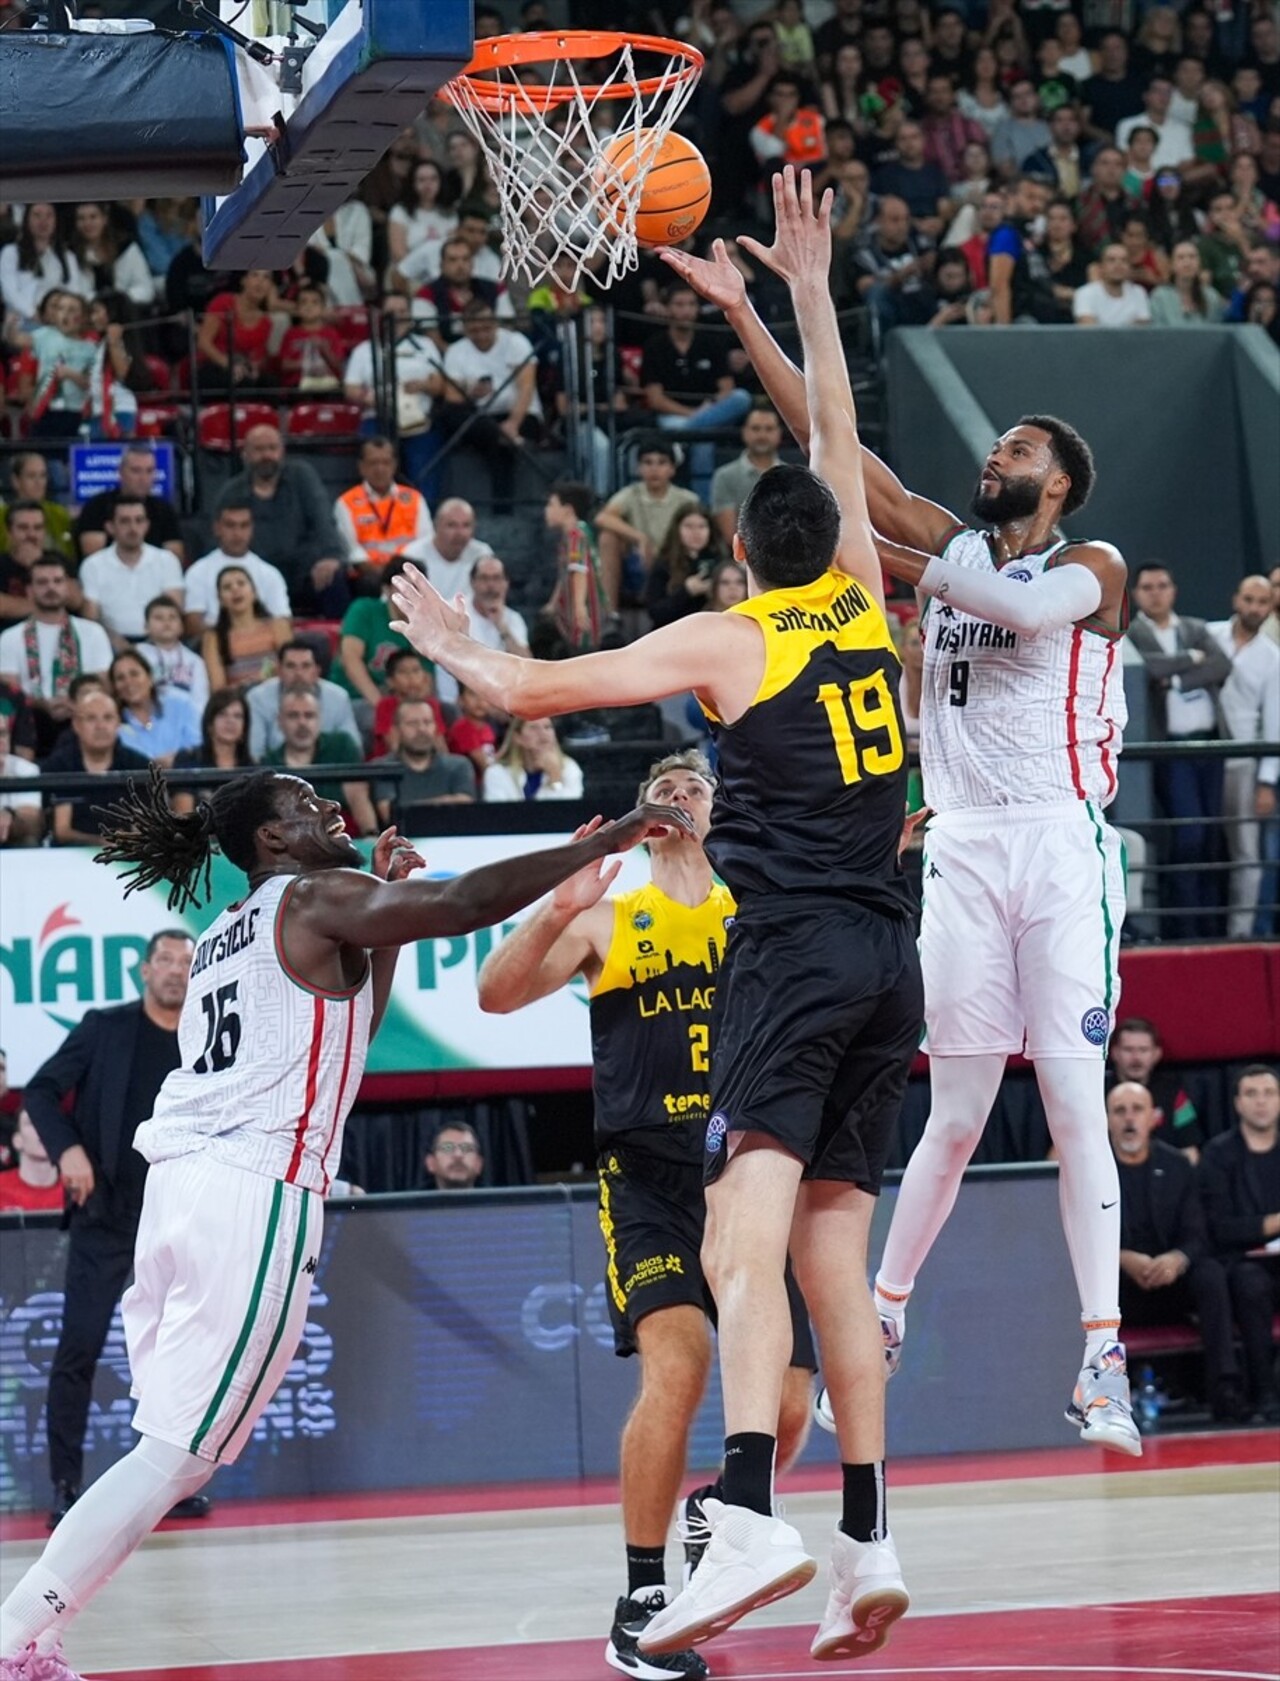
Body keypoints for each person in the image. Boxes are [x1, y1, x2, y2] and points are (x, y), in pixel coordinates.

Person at [390, 169, 923, 1661]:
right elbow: (834, 432)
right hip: (898, 959)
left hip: (800, 954)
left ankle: (747, 1509)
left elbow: (528, 695)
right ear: (835, 539)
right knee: (832, 1256)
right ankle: (872, 1534)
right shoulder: (866, 604)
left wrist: (449, 637)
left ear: (746, 547)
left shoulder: (730, 636)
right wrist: (803, 293)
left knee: (742, 1245)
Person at [0, 765, 683, 1672]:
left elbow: (346, 1038)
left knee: (166, 1453)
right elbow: (467, 901)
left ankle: (35, 1633)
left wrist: (390, 910)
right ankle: (15, 1635)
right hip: (252, 1191)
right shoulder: (316, 893)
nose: (333, 808)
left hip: (182, 1191)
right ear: (273, 841)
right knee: (174, 1459)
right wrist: (599, 840)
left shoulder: (226, 934)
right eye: (308, 805)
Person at [666, 190, 1139, 1456]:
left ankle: (1101, 1357)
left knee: (1077, 1099)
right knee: (952, 1111)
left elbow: (1015, 608)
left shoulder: (1090, 569)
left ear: (1062, 483)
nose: (997, 457)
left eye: (1020, 452)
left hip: (1056, 841)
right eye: (996, 447)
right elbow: (834, 448)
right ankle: (878, 1312)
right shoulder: (948, 542)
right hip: (961, 843)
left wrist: (893, 557)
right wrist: (751, 317)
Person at [477, 751, 816, 1675]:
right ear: (640, 816)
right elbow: (494, 993)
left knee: (790, 1403)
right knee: (680, 1362)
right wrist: (553, 902)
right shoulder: (609, 914)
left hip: (749, 1172)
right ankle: (640, 1591)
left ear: (721, 807)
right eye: (660, 788)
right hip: (649, 1178)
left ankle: (717, 1510)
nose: (676, 794)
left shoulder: (757, 908)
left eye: (693, 785)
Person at [22, 931, 200, 1527]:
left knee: (179, 1362)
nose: (177, 971)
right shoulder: (106, 1028)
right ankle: (66, 1486)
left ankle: (166, 1490)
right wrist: (68, 1151)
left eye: (188, 962)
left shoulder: (210, 1035)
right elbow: (43, 1091)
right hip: (108, 1216)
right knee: (79, 1347)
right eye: (167, 960)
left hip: (183, 1217)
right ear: (145, 970)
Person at [1107, 1081, 1246, 1422]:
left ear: (1153, 1118)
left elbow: (1199, 1235)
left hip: (1172, 1282)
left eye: (1137, 1110)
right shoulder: (1091, 1168)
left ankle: (1224, 1391)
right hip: (1116, 1288)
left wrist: (1176, 1259)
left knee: (1211, 1274)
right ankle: (1102, 1400)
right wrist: (1122, 1258)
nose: (1129, 1119)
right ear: (1106, 1119)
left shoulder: (1178, 1166)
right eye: (1120, 1111)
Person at [1128, 563, 1232, 939]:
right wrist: (1190, 660)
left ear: (1173, 589)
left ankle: (1212, 925)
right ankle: (1186, 927)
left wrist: (1173, 677)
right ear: (1137, 593)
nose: (1156, 592)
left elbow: (1221, 665)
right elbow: (1147, 670)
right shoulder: (1133, 633)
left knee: (1210, 836)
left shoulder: (1195, 628)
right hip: (1169, 748)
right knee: (1187, 835)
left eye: (1163, 585)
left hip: (1210, 745)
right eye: (1148, 587)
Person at [1198, 1065, 1280, 1423]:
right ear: (1237, 1102)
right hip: (1245, 1264)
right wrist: (1273, 1223)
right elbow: (1218, 1227)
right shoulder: (1218, 1155)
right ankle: (1264, 1394)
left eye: (1268, 1093)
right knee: (1250, 1284)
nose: (1261, 1102)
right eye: (1252, 1094)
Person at [1208, 576, 1280, 939]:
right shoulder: (1210, 635)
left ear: (1269, 608)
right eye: (1249, 599)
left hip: (1243, 760)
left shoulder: (1272, 657)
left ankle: (1240, 932)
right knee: (1201, 841)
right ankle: (1198, 925)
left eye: (1262, 602)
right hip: (1202, 756)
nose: (1254, 607)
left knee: (1247, 851)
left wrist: (1267, 781)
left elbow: (1274, 724)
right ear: (1236, 599)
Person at [216, 426, 349, 619]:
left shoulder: (301, 476)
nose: (267, 455)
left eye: (272, 448)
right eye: (259, 449)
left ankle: (341, 641)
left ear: (282, 451)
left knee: (333, 578)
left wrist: (331, 556)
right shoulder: (232, 491)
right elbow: (220, 535)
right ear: (245, 454)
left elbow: (323, 520)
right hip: (256, 574)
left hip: (303, 570)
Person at [640, 283, 752, 501]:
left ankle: (681, 440)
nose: (686, 310)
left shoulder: (711, 340)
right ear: (668, 309)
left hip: (709, 412)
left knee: (742, 398)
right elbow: (655, 398)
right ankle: (703, 506)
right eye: (679, 305)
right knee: (703, 439)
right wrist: (694, 416)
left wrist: (706, 412)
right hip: (673, 418)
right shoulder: (655, 345)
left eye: (691, 304)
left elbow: (727, 389)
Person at [0, 557, 113, 758]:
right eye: (42, 583)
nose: (50, 588)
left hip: (81, 718)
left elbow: (104, 685)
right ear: (29, 591)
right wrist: (42, 704)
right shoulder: (10, 638)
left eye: (57, 581)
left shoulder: (93, 632)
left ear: (68, 588)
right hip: (32, 722)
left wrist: (75, 702)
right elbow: (10, 692)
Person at [595, 439, 700, 616]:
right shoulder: (631, 494)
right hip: (641, 563)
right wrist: (640, 538)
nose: (654, 469)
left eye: (661, 463)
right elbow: (602, 517)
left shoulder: (687, 499)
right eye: (648, 462)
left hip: (675, 563)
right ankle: (609, 615)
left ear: (672, 469)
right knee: (608, 538)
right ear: (638, 468)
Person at [261, 685, 378, 837]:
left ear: (320, 719)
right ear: (279, 721)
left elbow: (358, 796)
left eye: (309, 715)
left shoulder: (341, 745)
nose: (302, 723)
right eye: (293, 716)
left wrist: (371, 834)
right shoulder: (268, 763)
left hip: (341, 841)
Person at [42, 686, 151, 846]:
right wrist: (100, 842)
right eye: (91, 718)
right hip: (70, 857)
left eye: (108, 718)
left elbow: (142, 828)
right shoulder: (58, 766)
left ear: (118, 724)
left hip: (128, 856)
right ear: (76, 725)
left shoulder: (139, 765)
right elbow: (62, 831)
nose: (100, 726)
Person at [77, 497, 184, 649]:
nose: (133, 528)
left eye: (139, 520)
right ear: (110, 527)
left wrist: (148, 648)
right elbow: (91, 619)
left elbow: (174, 610)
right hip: (109, 644)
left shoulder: (167, 560)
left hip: (159, 642)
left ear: (147, 525)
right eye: (125, 521)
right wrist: (118, 644)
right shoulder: (93, 565)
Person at [182, 503, 292, 641]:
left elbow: (283, 621)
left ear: (252, 529)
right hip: (216, 645)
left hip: (262, 646)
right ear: (217, 528)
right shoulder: (197, 572)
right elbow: (193, 625)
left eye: (244, 526)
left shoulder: (270, 574)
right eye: (230, 525)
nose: (237, 533)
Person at [246, 640, 359, 760]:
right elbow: (256, 752)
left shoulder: (339, 697)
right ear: (279, 671)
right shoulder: (257, 698)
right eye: (291, 666)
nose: (298, 673)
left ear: (317, 671)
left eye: (305, 666)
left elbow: (354, 747)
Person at [1107, 1017, 1204, 1158]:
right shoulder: (1097, 1092)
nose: (1136, 1058)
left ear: (1156, 1054)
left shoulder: (1174, 1093)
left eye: (1143, 1050)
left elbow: (1189, 1151)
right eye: (1128, 1050)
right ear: (1114, 1053)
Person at [333, 436, 431, 571]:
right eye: (373, 463)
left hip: (408, 569)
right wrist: (378, 571)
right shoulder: (346, 502)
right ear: (361, 467)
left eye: (386, 462)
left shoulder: (415, 499)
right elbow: (351, 549)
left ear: (394, 465)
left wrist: (398, 569)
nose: (380, 469)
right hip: (367, 573)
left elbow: (425, 541)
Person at [74, 444, 184, 564]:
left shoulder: (164, 509)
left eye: (149, 471)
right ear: (120, 472)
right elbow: (92, 554)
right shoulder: (96, 506)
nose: (143, 478)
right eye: (136, 471)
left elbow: (175, 556)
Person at [372, 699, 474, 819]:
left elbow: (465, 805)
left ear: (436, 727)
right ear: (396, 730)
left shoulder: (459, 765)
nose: (421, 729)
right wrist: (447, 802)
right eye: (412, 723)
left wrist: (410, 808)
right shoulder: (383, 768)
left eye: (427, 722)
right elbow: (390, 813)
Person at [200, 566, 292, 693]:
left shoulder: (278, 626)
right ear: (220, 600)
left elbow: (291, 668)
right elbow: (218, 688)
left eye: (241, 583)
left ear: (254, 593)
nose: (235, 589)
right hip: (238, 702)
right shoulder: (213, 637)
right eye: (227, 587)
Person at [543, 482, 609, 655]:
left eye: (551, 504)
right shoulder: (575, 534)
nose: (546, 510)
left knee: (583, 654)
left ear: (568, 510)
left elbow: (579, 569)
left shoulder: (575, 535)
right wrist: (553, 603)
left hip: (585, 613)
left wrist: (580, 607)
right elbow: (566, 574)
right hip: (571, 610)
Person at [110, 649, 200, 766]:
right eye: (120, 678)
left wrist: (177, 759)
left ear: (150, 677)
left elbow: (199, 746)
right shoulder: (113, 723)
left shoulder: (181, 704)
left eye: (134, 674)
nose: (128, 682)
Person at [171, 689, 255, 815]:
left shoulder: (253, 769)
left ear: (245, 727)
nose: (230, 721)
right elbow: (183, 817)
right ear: (209, 723)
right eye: (222, 714)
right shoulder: (188, 759)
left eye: (237, 716)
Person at [710, 407, 785, 547]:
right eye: (756, 429)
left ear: (779, 434)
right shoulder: (725, 476)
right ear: (744, 432)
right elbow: (730, 535)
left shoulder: (792, 477)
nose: (762, 435)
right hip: (739, 561)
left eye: (769, 429)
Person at [400, 497, 493, 601]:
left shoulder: (482, 555)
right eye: (452, 525)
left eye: (466, 525)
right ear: (436, 526)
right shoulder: (413, 554)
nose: (460, 533)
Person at [0, 501, 74, 627]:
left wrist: (38, 563)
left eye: (38, 528)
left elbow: (76, 600)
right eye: (23, 528)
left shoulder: (60, 560)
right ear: (9, 532)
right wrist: (51, 604)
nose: (31, 534)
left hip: (58, 632)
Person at [135, 597, 209, 718]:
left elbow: (201, 701)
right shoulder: (137, 656)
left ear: (181, 626)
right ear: (146, 626)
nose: (166, 623)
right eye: (159, 618)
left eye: (172, 617)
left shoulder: (195, 661)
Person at [482, 718, 584, 803]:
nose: (543, 733)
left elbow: (567, 814)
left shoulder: (569, 768)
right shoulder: (497, 772)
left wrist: (555, 779)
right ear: (517, 737)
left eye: (547, 727)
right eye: (533, 727)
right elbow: (497, 816)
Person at [0, 454, 75, 562]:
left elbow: (69, 554)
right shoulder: (2, 515)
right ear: (16, 481)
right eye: (31, 476)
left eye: (42, 475)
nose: (38, 482)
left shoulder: (59, 513)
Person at [1072, 243, 1153, 326]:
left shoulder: (1138, 293)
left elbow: (1142, 331)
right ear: (1101, 266)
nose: (1118, 265)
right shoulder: (1084, 293)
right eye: (1111, 260)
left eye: (1124, 260)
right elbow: (1089, 332)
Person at [1149, 240, 1227, 325]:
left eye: (1192, 257)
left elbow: (1216, 332)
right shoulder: (1160, 297)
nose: (1187, 263)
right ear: (1172, 265)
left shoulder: (1211, 296)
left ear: (1200, 263)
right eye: (1180, 257)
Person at [0, 1110, 65, 1213]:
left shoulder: (78, 1188)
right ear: (17, 1141)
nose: (42, 1129)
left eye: (49, 1123)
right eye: (32, 1123)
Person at [0, 708, 41, 847]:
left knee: (29, 841)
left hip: (12, 843)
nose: (0, 741)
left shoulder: (27, 770)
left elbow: (31, 821)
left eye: (2, 734)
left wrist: (10, 815)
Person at [424, 1121, 484, 1190]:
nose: (458, 1155)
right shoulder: (411, 1200)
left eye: (466, 1148)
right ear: (431, 1163)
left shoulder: (496, 1200)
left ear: (478, 1164)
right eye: (447, 1148)